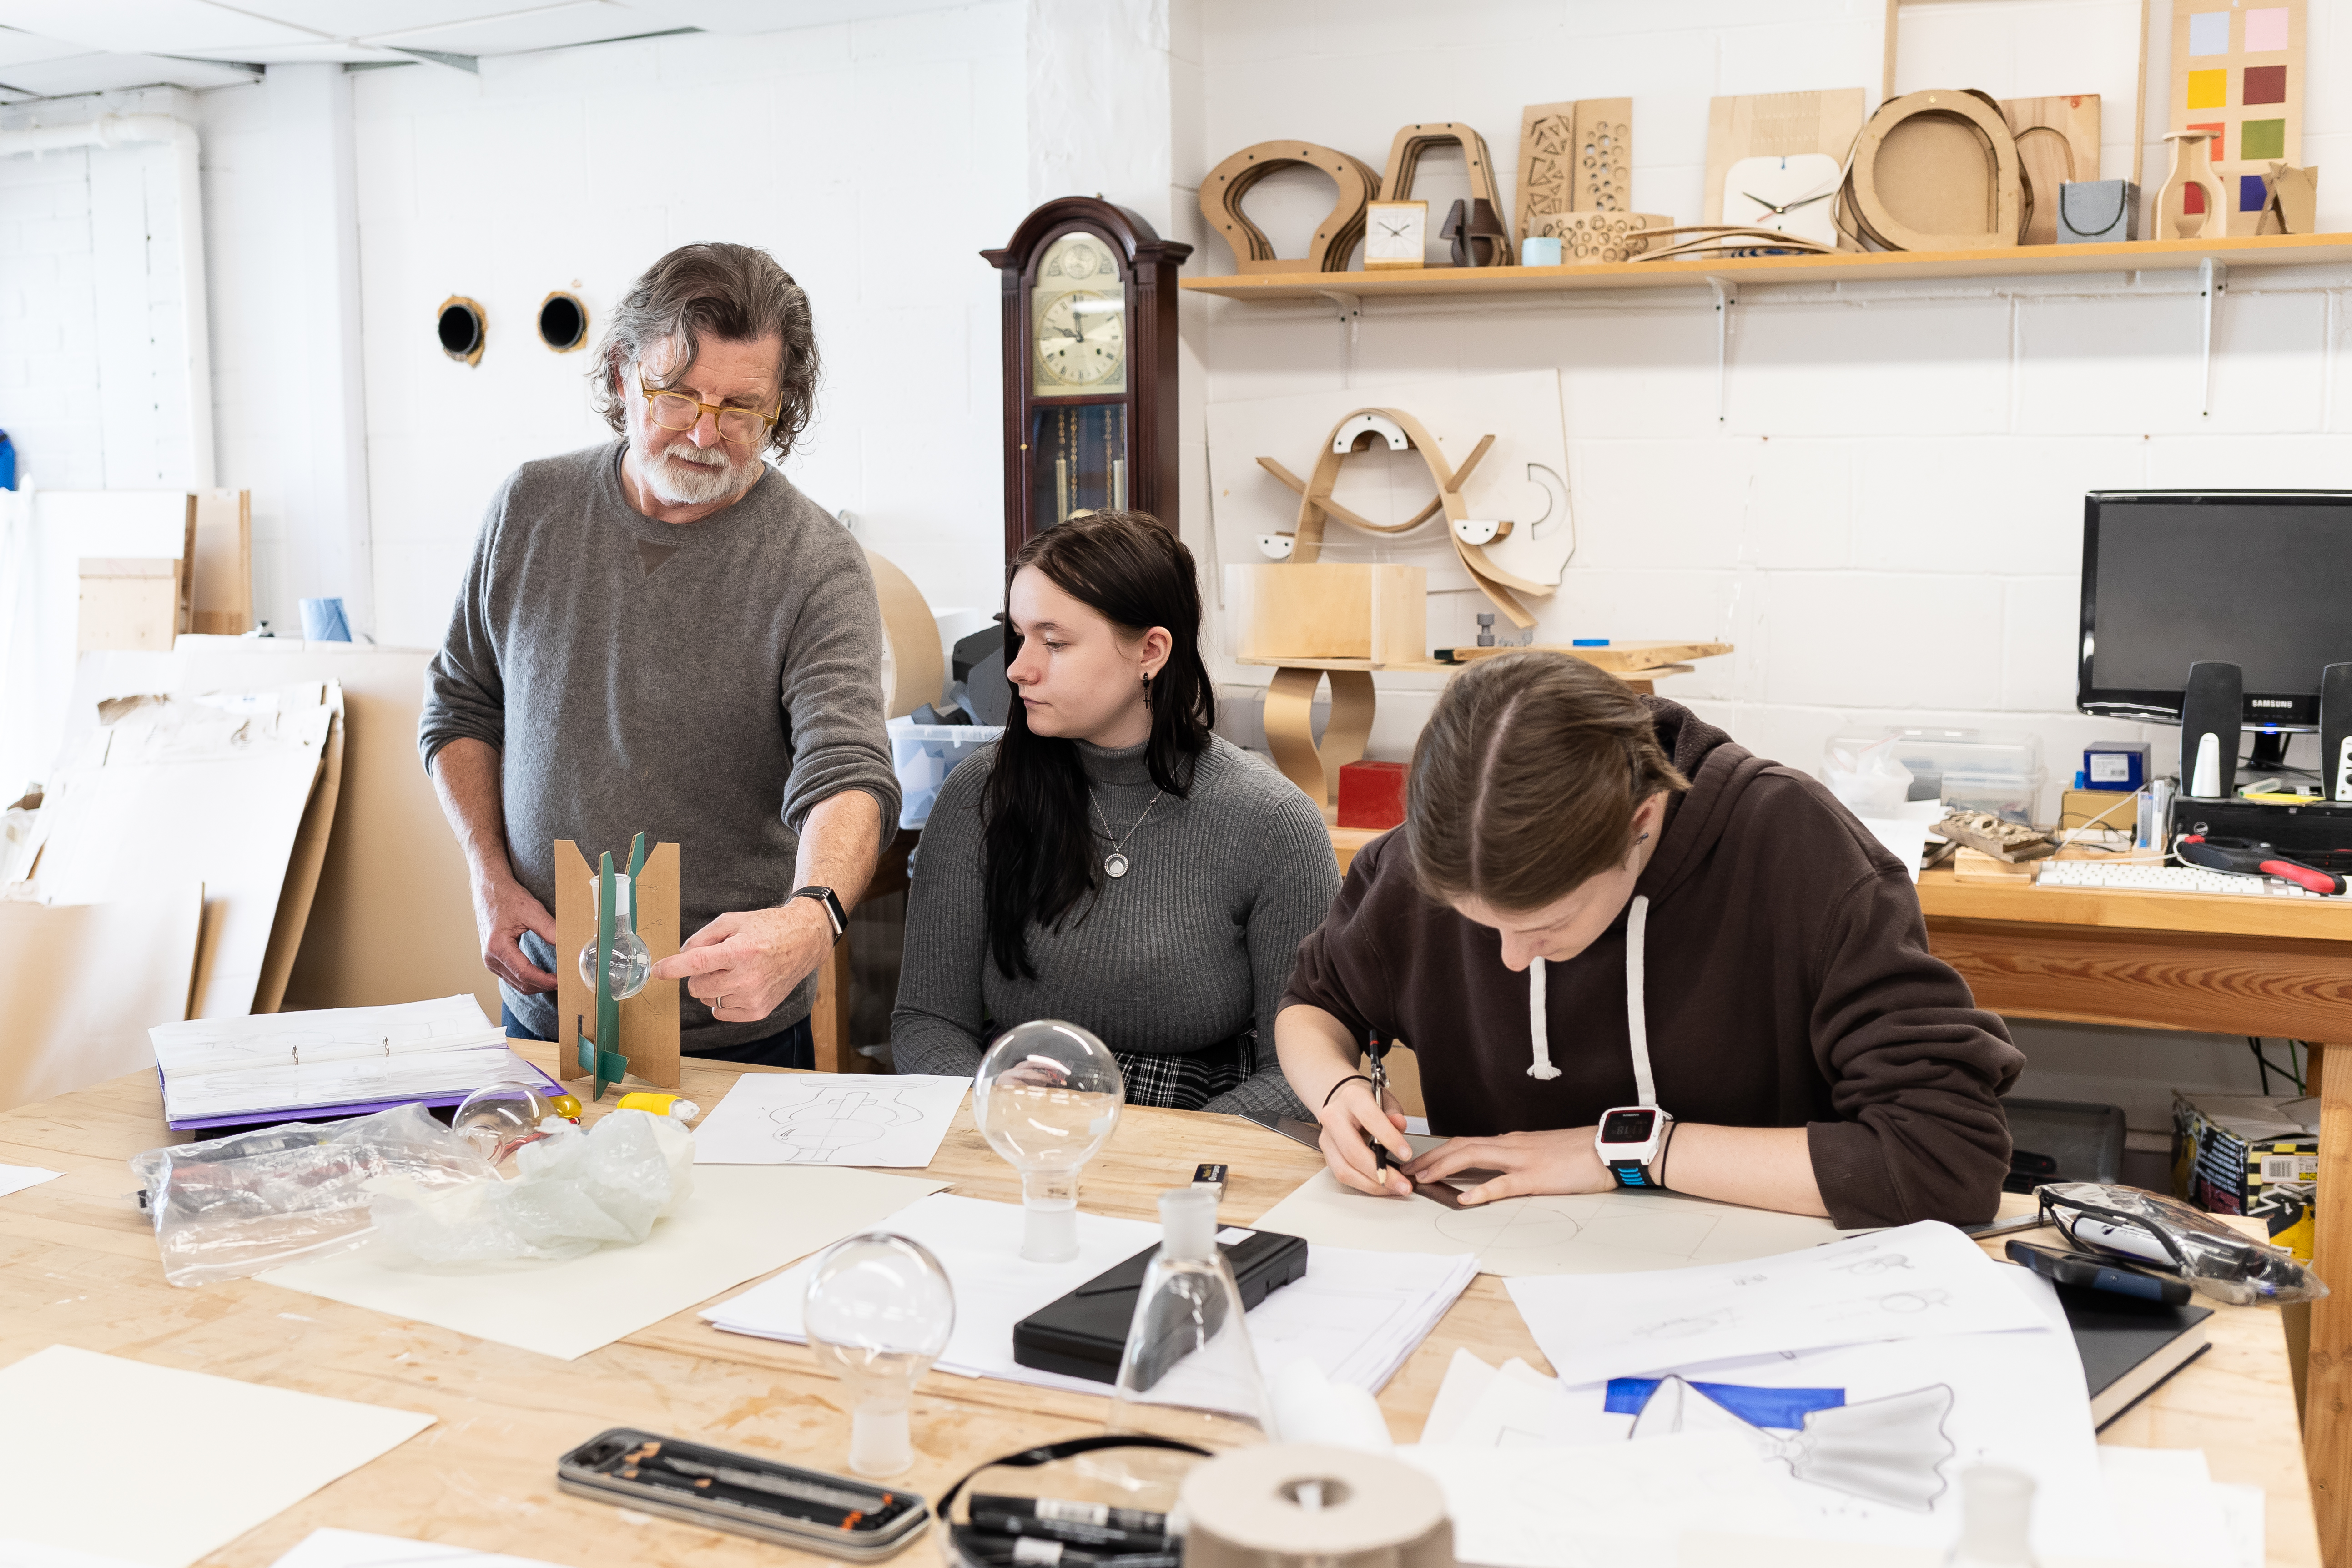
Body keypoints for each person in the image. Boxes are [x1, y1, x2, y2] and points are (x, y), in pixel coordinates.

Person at [1277, 652, 2021, 1227]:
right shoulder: (1437, 859)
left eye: (1544, 925)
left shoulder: (1797, 849)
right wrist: (1337, 1093)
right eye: (1481, 923)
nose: (1509, 959)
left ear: (1641, 824)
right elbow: (1314, 1005)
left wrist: (1626, 1151)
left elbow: (1945, 1160)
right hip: (1503, 1262)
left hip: (1755, 1278)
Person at [419, 242, 900, 1069]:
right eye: (677, 396)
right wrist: (487, 873)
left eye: (742, 409)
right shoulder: (529, 508)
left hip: (733, 1032)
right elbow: (462, 703)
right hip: (545, 1011)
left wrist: (810, 918)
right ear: (621, 374)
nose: (705, 434)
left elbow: (847, 769)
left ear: (782, 408)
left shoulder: (815, 563)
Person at [891, 511, 1339, 1116]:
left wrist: (1165, 1150)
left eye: (1054, 643)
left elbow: (1304, 1068)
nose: (1018, 668)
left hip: (1203, 1126)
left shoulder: (1273, 822)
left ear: (1151, 651)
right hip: (1017, 1119)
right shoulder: (980, 794)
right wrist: (987, 1098)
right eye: (1018, 636)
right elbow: (927, 1021)